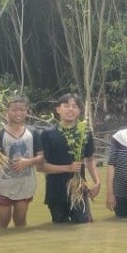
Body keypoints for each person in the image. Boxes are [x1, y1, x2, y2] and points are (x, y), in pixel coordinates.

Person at [39, 93, 100, 224]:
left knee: (84, 225)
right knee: (60, 227)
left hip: (78, 189)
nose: (70, 109)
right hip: (56, 191)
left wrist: (97, 182)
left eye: (74, 106)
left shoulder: (84, 132)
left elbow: (89, 160)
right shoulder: (47, 133)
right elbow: (41, 166)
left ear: (79, 111)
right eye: (66, 106)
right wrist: (68, 168)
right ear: (58, 109)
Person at [0, 94, 42, 229]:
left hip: (25, 184)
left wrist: (28, 162)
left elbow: (41, 157)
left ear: (27, 111)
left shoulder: (33, 132)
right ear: (6, 112)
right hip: (3, 184)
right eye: (14, 110)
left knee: (20, 221)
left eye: (22, 110)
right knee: (2, 221)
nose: (18, 113)